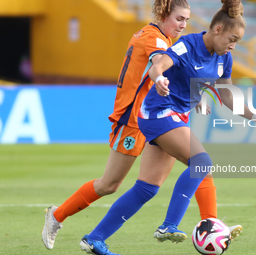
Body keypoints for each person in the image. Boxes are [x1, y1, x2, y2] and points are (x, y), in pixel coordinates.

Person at [78, 0, 256, 254]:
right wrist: (159, 77)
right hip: (157, 113)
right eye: (232, 38)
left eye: (237, 41)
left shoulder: (224, 59)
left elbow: (227, 97)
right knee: (202, 162)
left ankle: (95, 238)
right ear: (217, 30)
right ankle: (170, 226)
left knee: (147, 188)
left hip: (175, 117)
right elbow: (158, 64)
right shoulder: (188, 45)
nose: (233, 45)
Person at [42, 0, 228, 252]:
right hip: (132, 119)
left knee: (192, 169)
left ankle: (210, 225)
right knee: (109, 184)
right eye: (179, 19)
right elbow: (158, 64)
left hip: (159, 117)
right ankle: (57, 216)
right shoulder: (155, 39)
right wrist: (161, 77)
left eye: (187, 20)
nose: (184, 25)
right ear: (163, 14)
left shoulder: (164, 38)